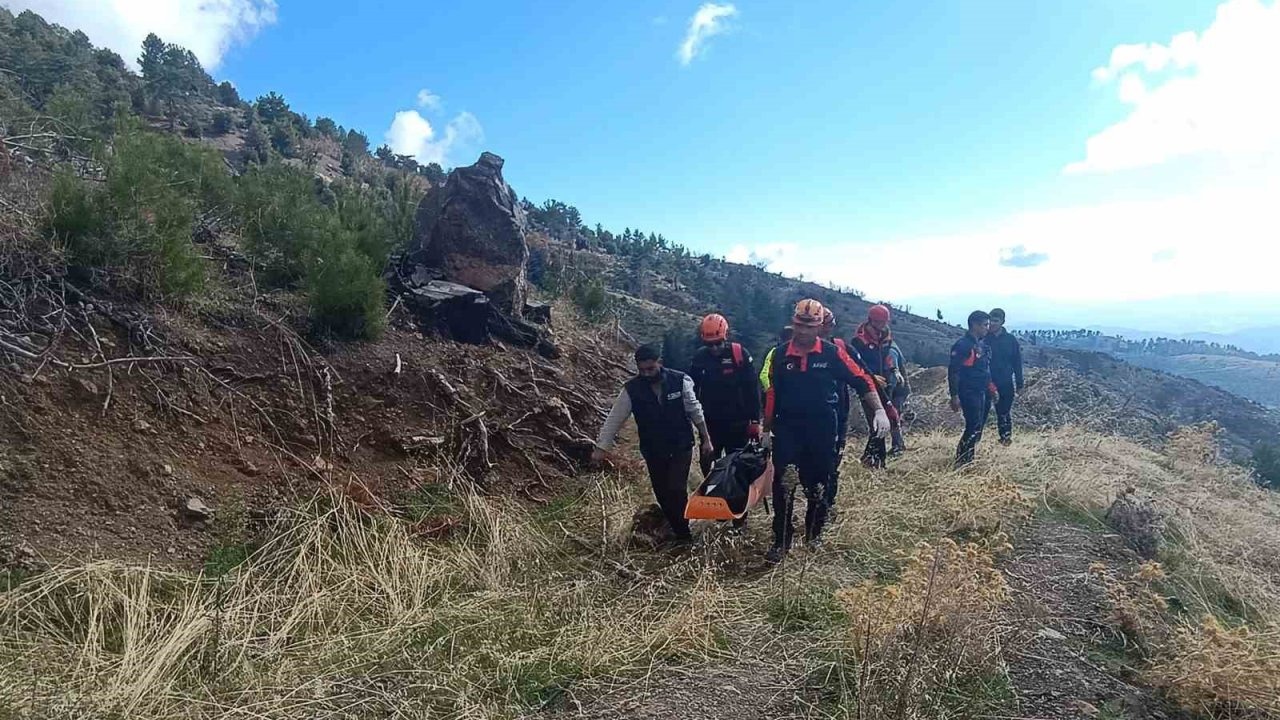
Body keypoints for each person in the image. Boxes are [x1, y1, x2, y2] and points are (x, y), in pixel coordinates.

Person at [762, 299, 889, 562]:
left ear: (819, 326)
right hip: (787, 428)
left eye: (810, 326)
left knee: (818, 484)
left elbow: (862, 380)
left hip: (821, 428)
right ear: (793, 323)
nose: (803, 331)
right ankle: (781, 541)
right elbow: (771, 393)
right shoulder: (780, 354)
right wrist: (765, 429)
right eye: (799, 325)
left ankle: (813, 536)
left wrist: (879, 410)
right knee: (782, 486)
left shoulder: (833, 353)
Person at [592, 344, 714, 543]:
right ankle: (674, 526)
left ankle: (684, 536)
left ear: (660, 363)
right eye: (642, 370)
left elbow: (695, 411)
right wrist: (601, 448)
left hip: (681, 445)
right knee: (662, 493)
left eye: (651, 369)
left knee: (676, 488)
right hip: (653, 449)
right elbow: (614, 419)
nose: (647, 374)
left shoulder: (680, 381)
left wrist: (706, 439)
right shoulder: (631, 390)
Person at [688, 313, 761, 477]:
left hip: (738, 423)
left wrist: (755, 420)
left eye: (718, 344)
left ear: (725, 337)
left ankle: (735, 499)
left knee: (737, 466)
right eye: (710, 345)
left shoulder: (739, 354)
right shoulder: (700, 357)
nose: (714, 349)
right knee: (707, 464)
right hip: (710, 423)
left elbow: (751, 388)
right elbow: (691, 389)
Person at [849, 305, 909, 467]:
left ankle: (871, 458)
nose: (882, 325)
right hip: (868, 387)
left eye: (884, 322)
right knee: (876, 424)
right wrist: (871, 377)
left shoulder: (886, 337)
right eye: (879, 322)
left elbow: (889, 356)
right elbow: (854, 365)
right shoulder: (858, 342)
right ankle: (876, 461)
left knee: (887, 421)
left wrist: (894, 370)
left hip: (886, 386)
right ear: (871, 320)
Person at [949, 311, 999, 468]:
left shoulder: (981, 345)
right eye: (985, 325)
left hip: (982, 391)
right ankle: (963, 460)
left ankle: (968, 458)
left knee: (978, 426)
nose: (987, 328)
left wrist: (992, 388)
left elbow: (985, 370)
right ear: (975, 325)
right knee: (972, 425)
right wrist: (954, 395)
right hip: (968, 391)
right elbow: (954, 372)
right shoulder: (963, 345)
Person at [818, 308, 853, 506]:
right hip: (805, 417)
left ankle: (827, 505)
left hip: (839, 413)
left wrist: (884, 406)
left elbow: (861, 372)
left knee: (833, 461)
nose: (829, 329)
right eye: (826, 325)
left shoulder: (839, 348)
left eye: (831, 325)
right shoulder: (790, 349)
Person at [985, 308, 1024, 446]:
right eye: (990, 321)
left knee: (1004, 413)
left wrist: (1020, 384)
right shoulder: (984, 338)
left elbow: (1017, 362)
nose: (992, 324)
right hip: (985, 382)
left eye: (996, 321)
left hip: (1005, 382)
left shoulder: (1010, 340)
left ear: (1002, 322)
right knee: (981, 412)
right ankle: (975, 441)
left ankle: (1005, 440)